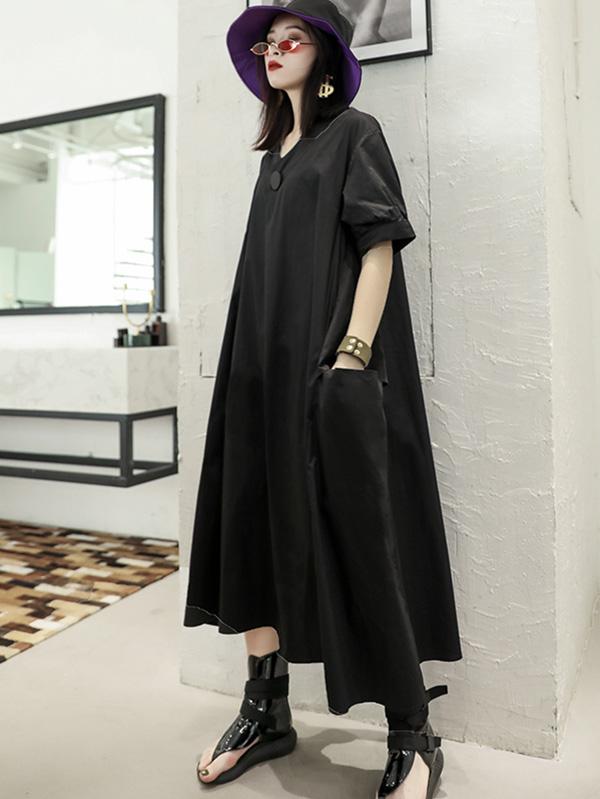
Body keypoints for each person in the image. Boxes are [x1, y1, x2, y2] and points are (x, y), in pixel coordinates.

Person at [183, 1, 463, 796]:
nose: (274, 51)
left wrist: (352, 355)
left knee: (363, 536)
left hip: (332, 369)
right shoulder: (273, 156)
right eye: (266, 44)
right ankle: (265, 708)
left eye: (292, 39)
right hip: (258, 374)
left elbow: (379, 244)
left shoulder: (355, 134)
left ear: (328, 55)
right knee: (251, 526)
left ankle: (413, 730)